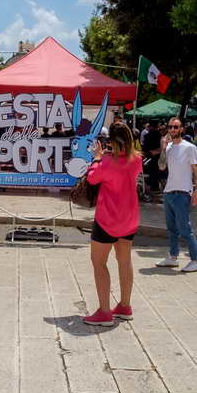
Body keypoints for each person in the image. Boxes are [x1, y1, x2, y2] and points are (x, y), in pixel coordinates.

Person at [82, 121, 143, 326]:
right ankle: (125, 306)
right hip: (129, 218)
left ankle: (104, 311)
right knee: (124, 261)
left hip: (108, 219)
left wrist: (98, 157)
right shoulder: (137, 160)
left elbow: (92, 178)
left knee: (99, 262)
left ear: (111, 142)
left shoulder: (106, 162)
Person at [155, 117, 197, 273]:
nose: (172, 129)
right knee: (171, 228)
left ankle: (196, 260)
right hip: (169, 191)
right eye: (170, 127)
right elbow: (161, 167)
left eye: (176, 127)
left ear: (181, 129)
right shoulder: (168, 147)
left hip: (183, 192)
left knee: (184, 228)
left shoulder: (189, 147)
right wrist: (163, 148)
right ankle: (173, 256)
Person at [142, 120, 163, 194]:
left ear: (150, 127)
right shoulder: (160, 136)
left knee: (151, 171)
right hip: (159, 156)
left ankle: (152, 186)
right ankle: (156, 186)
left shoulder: (147, 136)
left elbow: (144, 148)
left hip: (149, 157)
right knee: (157, 171)